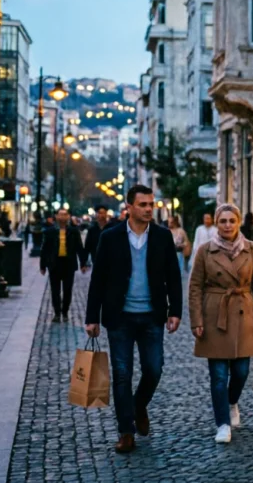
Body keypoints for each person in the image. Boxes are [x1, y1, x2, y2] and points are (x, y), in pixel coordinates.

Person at [84, 185, 183, 454]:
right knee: (122, 374)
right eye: (143, 205)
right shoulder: (111, 236)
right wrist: (92, 317)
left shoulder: (162, 237)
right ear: (129, 207)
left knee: (154, 369)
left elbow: (173, 277)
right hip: (120, 317)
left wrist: (175, 311)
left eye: (151, 204)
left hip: (152, 316)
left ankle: (139, 405)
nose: (149, 209)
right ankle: (126, 431)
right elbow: (98, 278)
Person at [189, 203, 253, 445]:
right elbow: (195, 287)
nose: (227, 225)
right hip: (214, 315)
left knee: (241, 371)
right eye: (222, 221)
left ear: (238, 223)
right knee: (217, 375)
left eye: (231, 221)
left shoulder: (251, 248)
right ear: (217, 223)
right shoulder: (205, 251)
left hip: (243, 313)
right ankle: (222, 424)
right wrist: (196, 320)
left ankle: (232, 401)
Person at [40, 208, 89, 323]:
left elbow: (79, 248)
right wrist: (42, 266)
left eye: (65, 215)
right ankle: (57, 313)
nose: (62, 217)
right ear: (56, 216)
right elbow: (45, 249)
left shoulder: (73, 231)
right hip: (54, 264)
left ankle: (65, 312)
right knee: (55, 290)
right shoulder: (50, 231)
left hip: (68, 264)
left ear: (68, 217)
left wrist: (83, 263)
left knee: (68, 290)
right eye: (60, 215)